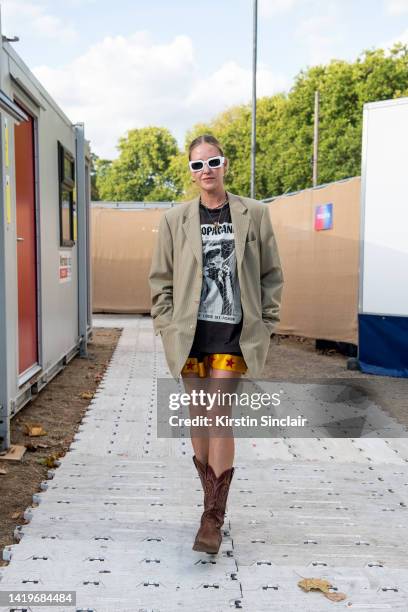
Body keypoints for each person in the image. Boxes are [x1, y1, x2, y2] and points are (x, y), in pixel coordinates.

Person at [149, 134, 284, 554]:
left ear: (225, 164)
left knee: (218, 412)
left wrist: (268, 323)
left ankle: (212, 517)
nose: (205, 170)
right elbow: (162, 280)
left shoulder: (254, 214)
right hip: (190, 335)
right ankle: (211, 500)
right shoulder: (175, 220)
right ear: (190, 174)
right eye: (197, 165)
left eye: (213, 162)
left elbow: (271, 275)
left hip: (232, 332)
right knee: (199, 417)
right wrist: (166, 326)